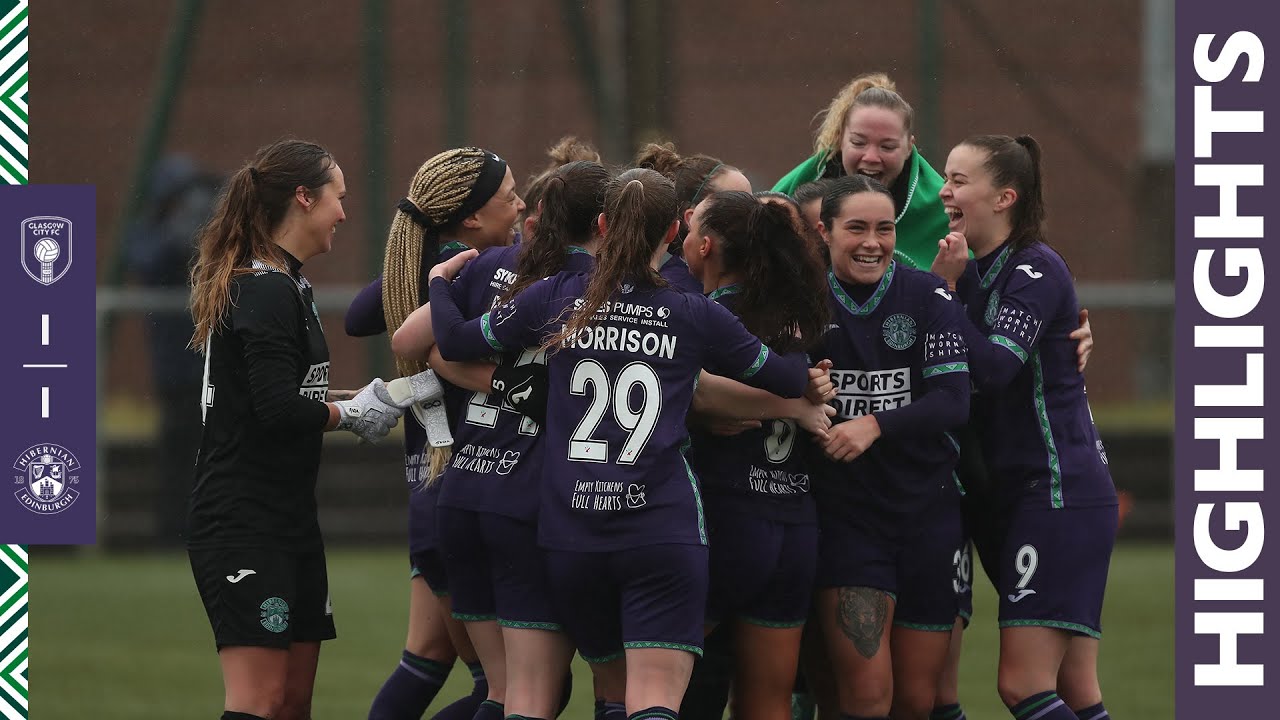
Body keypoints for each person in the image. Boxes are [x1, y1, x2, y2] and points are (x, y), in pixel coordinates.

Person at [429, 168, 818, 720]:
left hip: (572, 534)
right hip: (660, 528)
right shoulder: (691, 310)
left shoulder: (557, 296)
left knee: (587, 691)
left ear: (605, 224)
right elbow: (781, 378)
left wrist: (441, 283)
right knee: (652, 699)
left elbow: (453, 340)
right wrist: (804, 366)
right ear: (675, 231)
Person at [186, 139, 410, 720]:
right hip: (242, 523)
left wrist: (378, 396)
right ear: (304, 198)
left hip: (289, 521)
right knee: (258, 700)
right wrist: (349, 415)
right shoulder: (263, 288)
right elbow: (276, 411)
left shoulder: (288, 284)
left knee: (291, 702)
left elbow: (288, 393)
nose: (345, 211)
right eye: (338, 197)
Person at [396, 159, 606, 720]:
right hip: (528, 498)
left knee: (500, 690)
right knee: (540, 694)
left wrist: (445, 289)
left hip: (465, 489)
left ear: (539, 216)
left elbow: (409, 338)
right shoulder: (598, 287)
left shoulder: (492, 263)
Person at [931, 135, 1117, 720]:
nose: (945, 190)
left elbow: (994, 370)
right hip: (1014, 495)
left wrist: (942, 292)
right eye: (945, 176)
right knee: (1075, 690)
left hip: (1057, 490)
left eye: (960, 180)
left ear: (1004, 196)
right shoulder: (974, 266)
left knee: (1022, 685)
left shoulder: (1034, 267)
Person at [346, 146, 522, 720]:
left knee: (426, 659)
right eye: (510, 197)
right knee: (504, 690)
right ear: (471, 218)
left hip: (431, 492)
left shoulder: (433, 271)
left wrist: (423, 257)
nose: (521, 206)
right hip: (474, 492)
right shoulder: (481, 272)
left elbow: (359, 314)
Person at [809, 175, 971, 720]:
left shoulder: (926, 295)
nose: (872, 242)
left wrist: (873, 424)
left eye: (885, 229)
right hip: (849, 522)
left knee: (914, 701)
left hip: (929, 516)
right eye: (856, 228)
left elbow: (953, 400)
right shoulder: (804, 301)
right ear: (824, 231)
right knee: (867, 697)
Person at [681, 190, 830, 720]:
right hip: (793, 525)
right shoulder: (794, 319)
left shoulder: (706, 315)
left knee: (666, 691)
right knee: (768, 703)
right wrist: (792, 405)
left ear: (706, 246)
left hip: (725, 520)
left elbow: (691, 390)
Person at [125, 154, 221, 546]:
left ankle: (207, 533)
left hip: (213, 370)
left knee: (214, 458)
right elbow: (151, 258)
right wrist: (179, 229)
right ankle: (170, 534)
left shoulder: (208, 236)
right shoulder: (149, 233)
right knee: (178, 457)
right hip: (176, 370)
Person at [772, 73, 949, 271]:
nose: (871, 157)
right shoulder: (793, 194)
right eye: (858, 143)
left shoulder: (943, 209)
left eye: (887, 146)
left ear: (909, 147)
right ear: (840, 140)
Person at [635, 142, 752, 293]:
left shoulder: (756, 281)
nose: (754, 212)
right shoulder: (673, 292)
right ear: (693, 218)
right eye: (734, 201)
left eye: (751, 200)